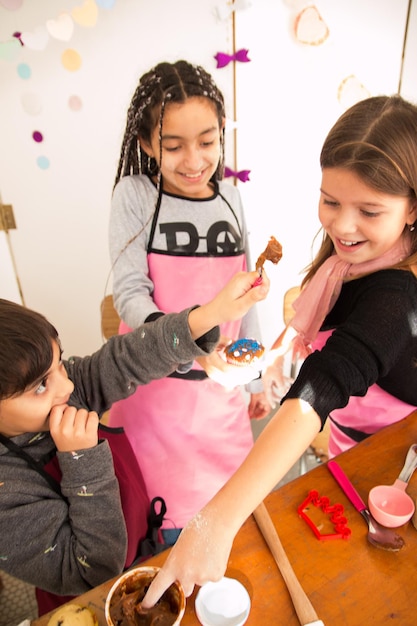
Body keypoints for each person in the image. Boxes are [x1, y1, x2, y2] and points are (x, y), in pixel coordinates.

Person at [141, 94, 417, 606]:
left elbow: (328, 380)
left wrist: (216, 519)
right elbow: (318, 345)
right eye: (330, 200)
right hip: (348, 437)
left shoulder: (397, 294)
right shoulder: (349, 262)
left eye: (369, 210)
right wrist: (273, 366)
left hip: (393, 456)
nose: (341, 225)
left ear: (413, 208)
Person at [0, 269, 269, 615]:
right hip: (92, 604)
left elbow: (126, 358)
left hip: (144, 545)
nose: (66, 387)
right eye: (40, 385)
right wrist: (81, 459)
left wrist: (210, 315)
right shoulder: (7, 496)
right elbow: (95, 569)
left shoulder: (66, 393)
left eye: (60, 365)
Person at [108, 59, 271, 546]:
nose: (194, 160)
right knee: (167, 529)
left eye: (207, 141)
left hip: (220, 395)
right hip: (155, 394)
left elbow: (249, 288)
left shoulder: (232, 198)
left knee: (230, 520)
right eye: (173, 146)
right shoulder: (134, 195)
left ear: (222, 133)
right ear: (145, 144)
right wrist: (187, 344)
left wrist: (257, 375)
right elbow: (130, 293)